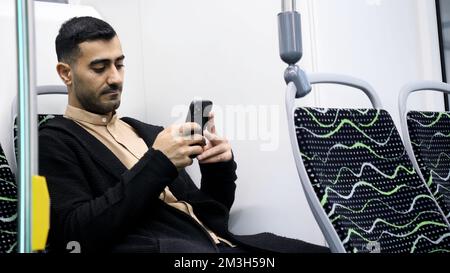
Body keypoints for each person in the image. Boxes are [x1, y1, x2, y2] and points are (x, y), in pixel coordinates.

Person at [39, 16, 329, 253]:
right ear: (66, 73)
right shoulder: (53, 142)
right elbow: (75, 236)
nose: (115, 77)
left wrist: (217, 168)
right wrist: (158, 163)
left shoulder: (146, 132)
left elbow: (213, 213)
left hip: (220, 244)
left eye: (120, 64)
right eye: (99, 67)